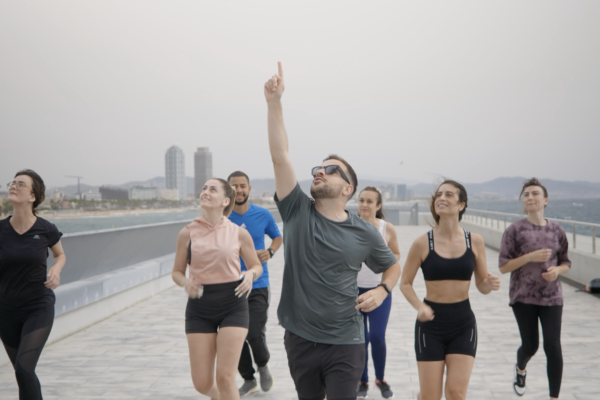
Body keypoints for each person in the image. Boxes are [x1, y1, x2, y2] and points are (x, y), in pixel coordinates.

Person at [264, 62, 401, 400]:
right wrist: (274, 103)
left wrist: (383, 290)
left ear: (347, 188)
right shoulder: (296, 209)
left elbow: (393, 264)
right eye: (319, 168)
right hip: (300, 338)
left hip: (346, 341)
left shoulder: (364, 232)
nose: (320, 172)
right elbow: (280, 157)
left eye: (331, 170)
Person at [400, 180, 501, 400]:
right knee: (430, 397)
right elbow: (405, 283)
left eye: (448, 195)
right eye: (438, 195)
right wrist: (420, 306)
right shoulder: (422, 243)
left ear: (461, 205)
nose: (441, 199)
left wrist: (489, 285)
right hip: (430, 326)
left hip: (463, 324)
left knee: (456, 393)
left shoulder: (475, 241)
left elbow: (481, 285)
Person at [171, 178, 263, 400]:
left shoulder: (238, 232)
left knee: (225, 377)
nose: (205, 192)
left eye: (212, 189)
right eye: (204, 188)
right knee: (202, 383)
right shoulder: (187, 233)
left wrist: (249, 275)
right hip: (199, 307)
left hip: (233, 302)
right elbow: (177, 272)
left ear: (225, 200)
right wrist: (186, 283)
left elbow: (256, 266)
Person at [499, 178, 571, 400]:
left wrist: (557, 271)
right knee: (531, 346)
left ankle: (554, 397)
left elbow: (566, 262)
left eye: (535, 194)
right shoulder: (515, 230)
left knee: (553, 345)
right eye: (526, 194)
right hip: (523, 298)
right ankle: (521, 368)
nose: (530, 197)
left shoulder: (557, 230)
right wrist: (529, 257)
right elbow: (503, 267)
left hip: (552, 297)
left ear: (545, 200)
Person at [0, 170, 66, 400]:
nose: (13, 186)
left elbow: (60, 255)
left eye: (20, 184)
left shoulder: (45, 229)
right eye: (12, 183)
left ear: (33, 196)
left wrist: (55, 270)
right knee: (22, 373)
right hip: (6, 309)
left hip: (38, 305)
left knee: (25, 368)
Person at [227, 171, 282, 396]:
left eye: (242, 186)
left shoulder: (262, 214)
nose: (238, 190)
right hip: (229, 285)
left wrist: (270, 251)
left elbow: (278, 237)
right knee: (233, 335)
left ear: (249, 189)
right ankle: (248, 378)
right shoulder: (223, 218)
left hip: (258, 283)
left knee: (254, 332)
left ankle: (262, 365)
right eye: (233, 187)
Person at [355, 187, 400, 399]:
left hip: (380, 292)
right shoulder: (349, 225)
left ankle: (380, 379)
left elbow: (397, 254)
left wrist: (385, 261)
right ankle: (362, 381)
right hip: (354, 293)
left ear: (378, 206)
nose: (364, 204)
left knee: (377, 336)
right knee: (360, 338)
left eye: (369, 201)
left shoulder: (386, 228)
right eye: (361, 200)